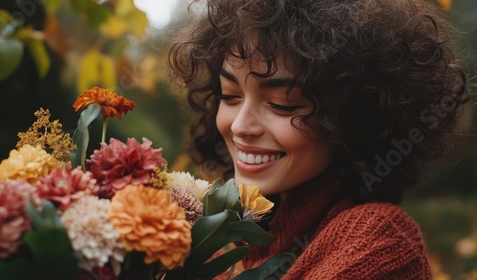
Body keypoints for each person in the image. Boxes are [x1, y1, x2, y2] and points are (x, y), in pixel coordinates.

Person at [169, 0, 468, 278]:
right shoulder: (228, 247)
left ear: (353, 117)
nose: (240, 126)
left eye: (282, 104)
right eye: (230, 96)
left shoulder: (379, 240)